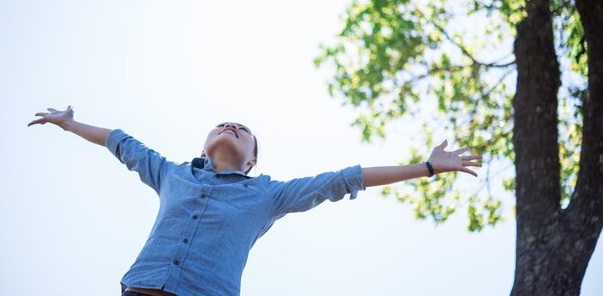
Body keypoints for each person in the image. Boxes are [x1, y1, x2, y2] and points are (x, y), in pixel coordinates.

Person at [28, 105, 483, 296]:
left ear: (252, 159)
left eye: (241, 129)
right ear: (204, 142)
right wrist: (69, 123)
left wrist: (425, 167)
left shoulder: (268, 195)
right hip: (140, 291)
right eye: (221, 123)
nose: (230, 127)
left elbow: (344, 179)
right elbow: (120, 141)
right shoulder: (171, 174)